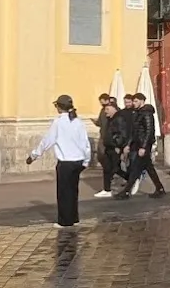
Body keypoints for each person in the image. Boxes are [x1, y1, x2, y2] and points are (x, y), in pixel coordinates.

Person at [28, 94, 91, 227]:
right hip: (78, 161)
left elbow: (47, 141)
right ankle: (74, 218)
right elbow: (85, 142)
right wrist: (86, 160)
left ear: (59, 107)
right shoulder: (78, 122)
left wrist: (34, 155)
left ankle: (65, 220)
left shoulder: (58, 122)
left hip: (66, 162)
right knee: (73, 191)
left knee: (64, 192)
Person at [115, 94, 165, 199]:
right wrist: (129, 144)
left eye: (136, 101)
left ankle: (126, 191)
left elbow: (149, 131)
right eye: (133, 101)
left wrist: (143, 146)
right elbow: (134, 132)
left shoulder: (146, 113)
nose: (134, 103)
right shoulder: (137, 113)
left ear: (142, 101)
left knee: (136, 168)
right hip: (138, 144)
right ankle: (159, 188)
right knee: (148, 168)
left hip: (143, 145)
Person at [93, 99, 127, 198]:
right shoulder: (110, 119)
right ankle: (107, 189)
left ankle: (131, 178)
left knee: (114, 168)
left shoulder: (119, 119)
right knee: (107, 168)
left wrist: (118, 146)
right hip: (108, 147)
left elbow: (122, 134)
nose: (105, 111)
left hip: (114, 148)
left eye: (107, 109)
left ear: (113, 109)